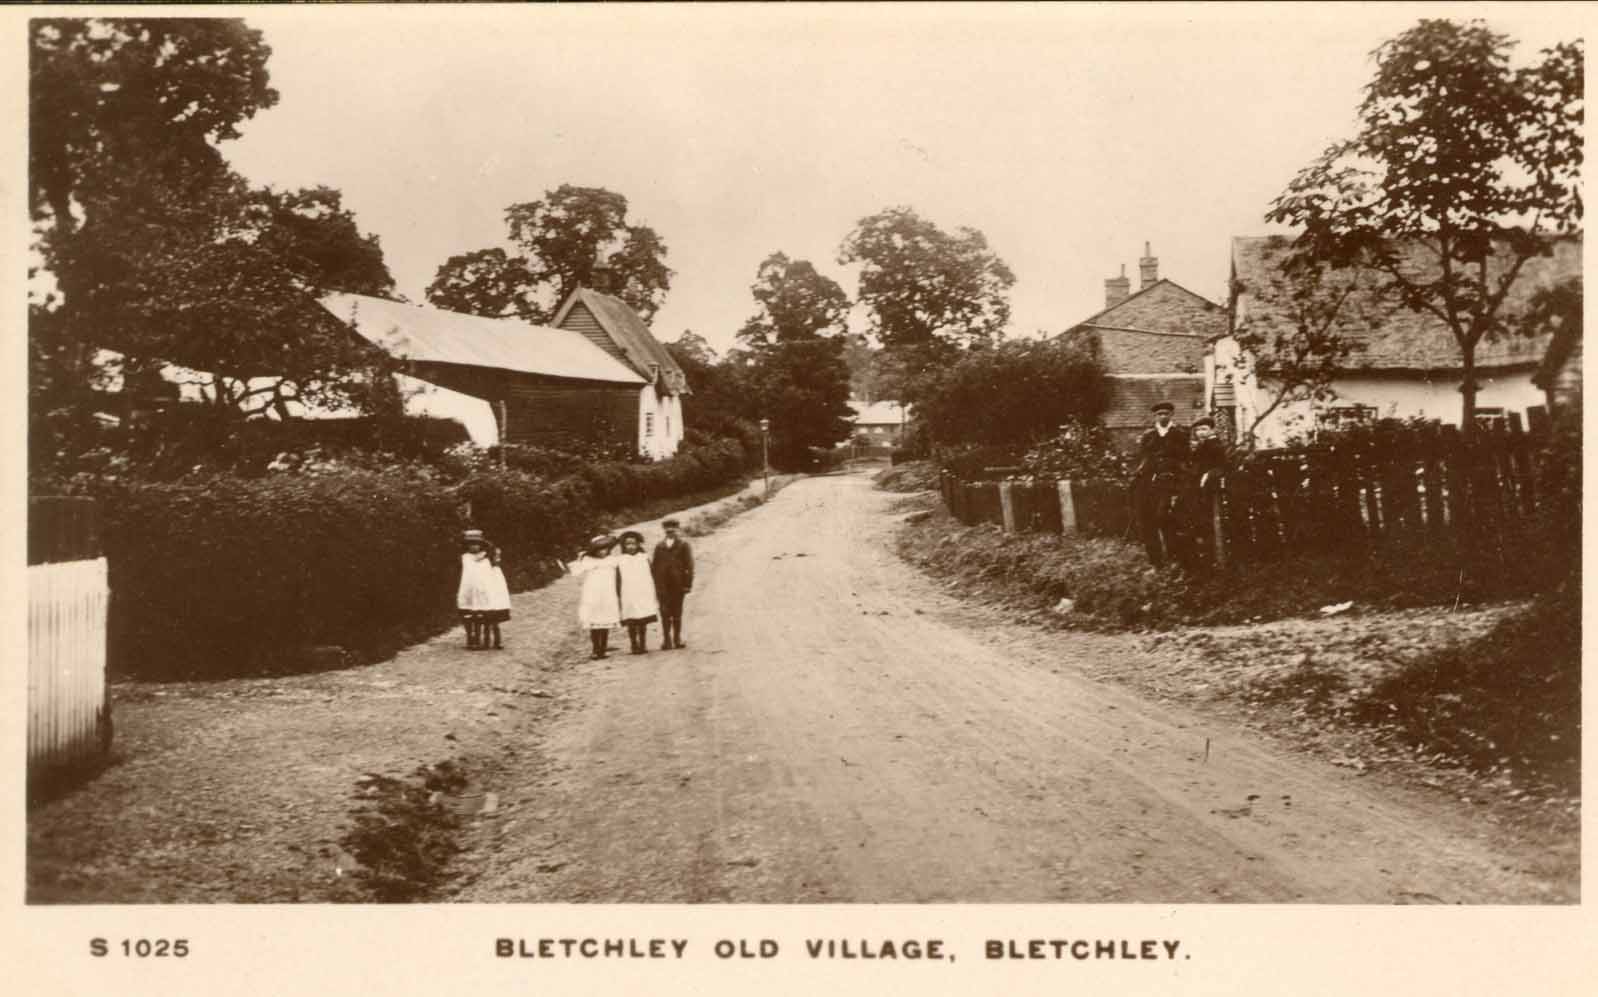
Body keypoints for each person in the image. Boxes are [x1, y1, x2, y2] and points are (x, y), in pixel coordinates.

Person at [1132, 401, 1189, 567]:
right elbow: (1142, 458)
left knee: (1168, 520)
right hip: (1150, 483)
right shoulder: (1148, 435)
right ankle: (1155, 562)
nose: (1162, 416)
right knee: (1148, 521)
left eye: (1166, 413)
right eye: (1159, 414)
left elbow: (1185, 457)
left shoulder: (1180, 433)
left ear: (1171, 415)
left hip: (1172, 482)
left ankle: (1174, 559)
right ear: (1155, 416)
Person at [1180, 416, 1228, 570]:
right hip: (1197, 488)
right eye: (1198, 430)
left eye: (1204, 429)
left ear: (1212, 430)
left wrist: (1208, 475)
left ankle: (1214, 559)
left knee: (1209, 522)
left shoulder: (1215, 445)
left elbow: (1222, 466)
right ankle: (1205, 557)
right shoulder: (1204, 445)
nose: (1200, 432)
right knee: (1199, 521)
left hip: (1208, 488)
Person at [457, 529, 510, 650]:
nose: (473, 547)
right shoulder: (464, 557)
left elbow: (491, 574)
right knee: (469, 616)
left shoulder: (486, 559)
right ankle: (472, 639)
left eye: (476, 544)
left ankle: (488, 641)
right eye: (470, 544)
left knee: (485, 616)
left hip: (482, 593)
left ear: (481, 545)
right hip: (468, 591)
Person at [572, 534, 621, 660]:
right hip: (593, 594)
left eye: (605, 548)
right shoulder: (588, 560)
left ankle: (603, 649)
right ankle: (595, 648)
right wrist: (580, 558)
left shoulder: (612, 560)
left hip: (607, 594)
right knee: (594, 622)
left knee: (605, 622)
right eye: (599, 549)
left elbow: (620, 574)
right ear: (594, 550)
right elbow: (576, 572)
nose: (602, 552)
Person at [651, 518, 694, 650]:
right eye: (667, 528)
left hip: (678, 584)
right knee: (664, 612)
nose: (670, 531)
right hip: (662, 585)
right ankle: (666, 640)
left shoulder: (683, 545)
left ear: (677, 529)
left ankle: (677, 638)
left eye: (673, 528)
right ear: (664, 530)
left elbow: (689, 566)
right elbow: (654, 566)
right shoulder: (659, 546)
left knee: (677, 612)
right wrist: (656, 585)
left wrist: (688, 584)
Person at [615, 530, 659, 655]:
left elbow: (651, 574)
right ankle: (634, 644)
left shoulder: (644, 558)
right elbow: (618, 579)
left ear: (638, 544)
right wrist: (618, 593)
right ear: (623, 546)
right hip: (628, 593)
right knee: (631, 620)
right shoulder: (620, 560)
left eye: (633, 544)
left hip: (642, 592)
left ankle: (643, 643)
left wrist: (652, 590)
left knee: (642, 619)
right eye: (627, 544)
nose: (631, 547)